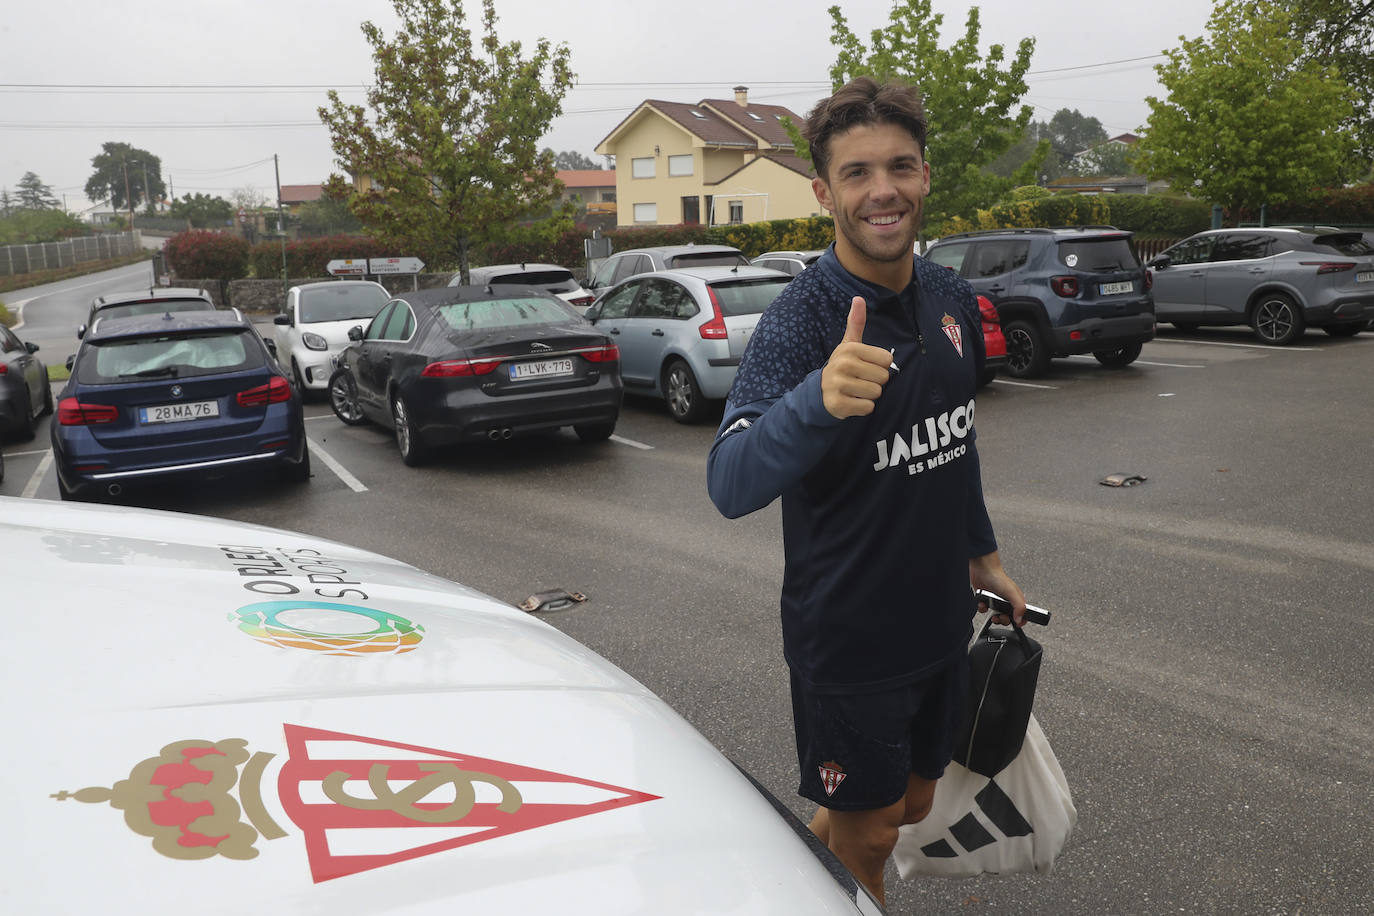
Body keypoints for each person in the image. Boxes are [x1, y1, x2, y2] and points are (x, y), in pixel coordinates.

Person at [705, 76, 1026, 906]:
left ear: (924, 177)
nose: (883, 190)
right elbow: (730, 483)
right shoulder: (802, 319)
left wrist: (983, 554)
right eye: (857, 173)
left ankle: (778, 886)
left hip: (938, 623)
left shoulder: (953, 298)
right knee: (872, 837)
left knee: (910, 804)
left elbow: (956, 442)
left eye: (901, 167)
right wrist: (814, 401)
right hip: (848, 644)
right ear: (824, 192)